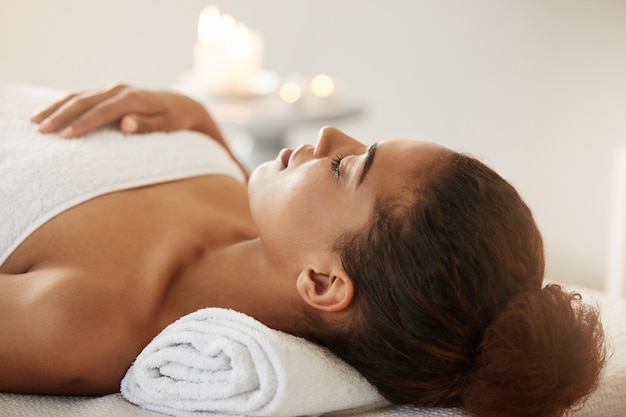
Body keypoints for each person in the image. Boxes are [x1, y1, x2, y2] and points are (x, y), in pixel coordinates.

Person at [0, 83, 605, 417]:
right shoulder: (245, 207)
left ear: (321, 283)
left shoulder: (78, 322)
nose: (326, 137)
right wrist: (196, 122)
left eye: (346, 168)